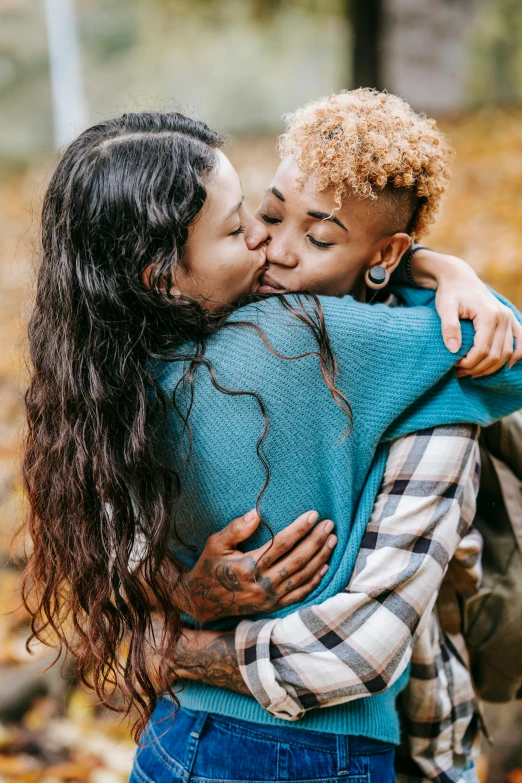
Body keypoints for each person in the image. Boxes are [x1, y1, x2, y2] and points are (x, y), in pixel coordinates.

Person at [21, 107, 522, 783]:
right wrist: (440, 274)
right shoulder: (312, 340)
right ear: (161, 275)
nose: (270, 248)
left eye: (310, 234)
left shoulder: (101, 386)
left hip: (178, 742)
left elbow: (111, 568)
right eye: (250, 223)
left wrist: (178, 630)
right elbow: (502, 354)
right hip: (320, 749)